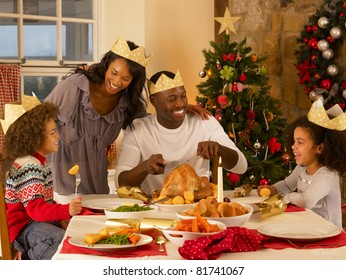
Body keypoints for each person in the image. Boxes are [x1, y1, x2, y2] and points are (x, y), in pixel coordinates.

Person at [45, 38, 209, 203]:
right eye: (114, 72)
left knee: (96, 217)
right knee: (66, 221)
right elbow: (40, 117)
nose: (117, 81)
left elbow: (148, 125)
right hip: (62, 170)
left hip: (95, 174)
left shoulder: (126, 103)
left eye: (125, 78)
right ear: (107, 65)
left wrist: (175, 108)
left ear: (133, 81)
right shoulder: (75, 87)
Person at [115, 70, 247, 196]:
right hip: (155, 211)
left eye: (183, 96)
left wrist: (219, 149)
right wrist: (145, 167)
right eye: (171, 99)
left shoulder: (204, 121)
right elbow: (120, 184)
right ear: (153, 100)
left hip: (198, 207)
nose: (180, 104)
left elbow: (241, 166)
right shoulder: (138, 129)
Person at [1, 102, 82, 260]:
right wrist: (66, 210)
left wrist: (60, 217)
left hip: (32, 223)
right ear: (35, 138)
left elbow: (45, 204)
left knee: (69, 233)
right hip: (22, 228)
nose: (57, 136)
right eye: (52, 133)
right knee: (58, 240)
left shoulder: (39, 162)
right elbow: (36, 210)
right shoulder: (29, 165)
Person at [257, 99, 346, 229]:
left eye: (300, 142)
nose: (293, 146)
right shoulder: (301, 168)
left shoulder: (327, 175)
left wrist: (286, 197)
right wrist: (273, 189)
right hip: (307, 227)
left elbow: (306, 201)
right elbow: (287, 184)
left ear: (320, 148)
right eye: (294, 141)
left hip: (327, 235)